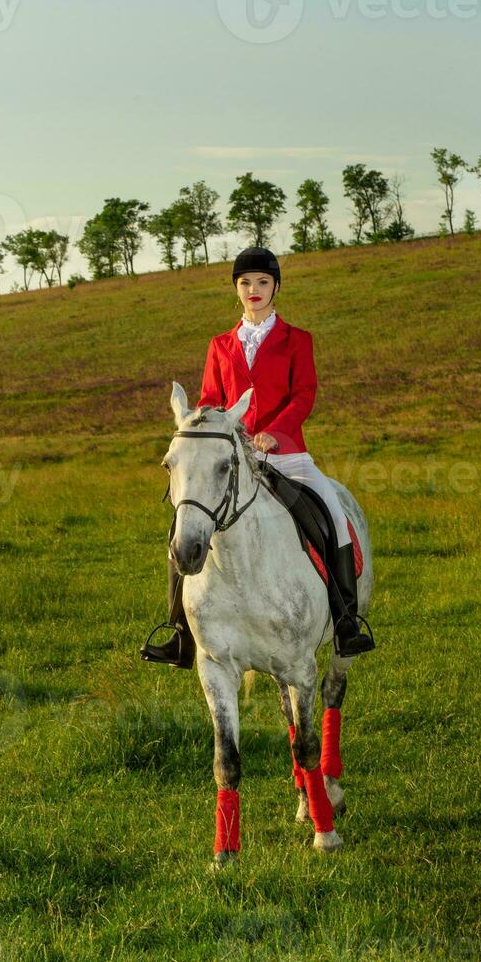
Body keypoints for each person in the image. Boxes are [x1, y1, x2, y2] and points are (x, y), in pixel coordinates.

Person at [140, 246, 375, 669]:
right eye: (245, 283)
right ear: (236, 289)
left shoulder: (297, 340)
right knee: (184, 525)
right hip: (233, 461)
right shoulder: (220, 345)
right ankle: (179, 633)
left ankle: (345, 622)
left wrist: (276, 433)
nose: (254, 289)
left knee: (335, 519)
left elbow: (304, 394)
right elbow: (212, 399)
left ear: (276, 287)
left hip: (287, 456)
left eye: (262, 282)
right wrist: (206, 427)